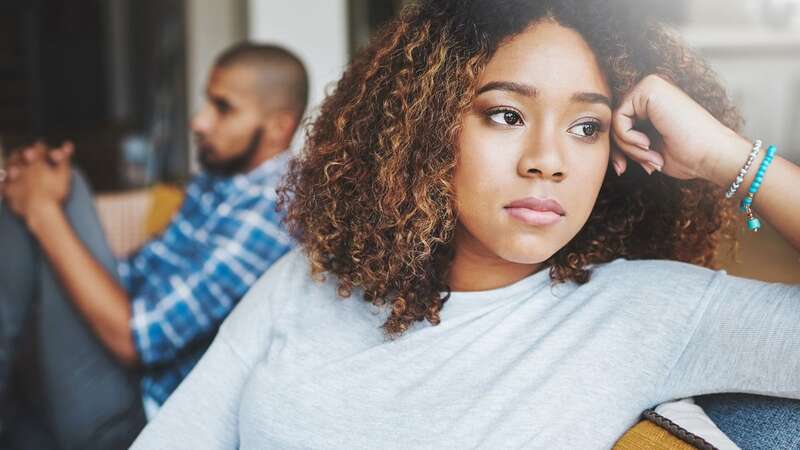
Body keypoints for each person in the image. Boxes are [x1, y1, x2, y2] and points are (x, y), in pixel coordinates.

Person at [131, 1, 800, 448]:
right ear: (425, 129)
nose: (547, 161)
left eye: (587, 126)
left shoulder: (648, 313)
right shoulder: (302, 284)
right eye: (506, 114)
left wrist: (731, 159)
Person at [0, 42, 308, 449]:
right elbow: (134, 275)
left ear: (277, 127)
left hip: (138, 411)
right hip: (117, 373)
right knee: (49, 181)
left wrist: (44, 211)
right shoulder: (223, 183)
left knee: (61, 189)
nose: (199, 121)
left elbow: (139, 341)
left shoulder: (270, 211)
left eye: (223, 107)